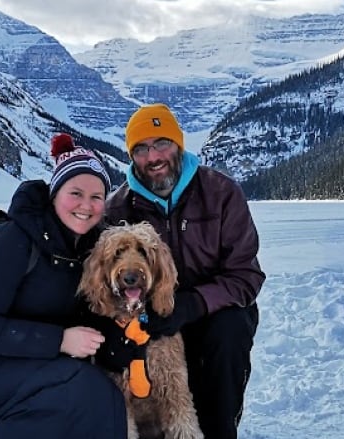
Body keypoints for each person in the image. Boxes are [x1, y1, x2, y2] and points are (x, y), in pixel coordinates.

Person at [0, 133, 127, 438]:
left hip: (27, 362)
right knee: (83, 389)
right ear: (55, 194)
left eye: (97, 197)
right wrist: (59, 340)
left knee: (99, 391)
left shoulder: (89, 248)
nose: (86, 205)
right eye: (76, 193)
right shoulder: (14, 240)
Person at [104, 103, 266, 439]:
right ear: (133, 157)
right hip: (146, 314)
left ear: (178, 144)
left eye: (161, 143)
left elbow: (246, 276)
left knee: (229, 331)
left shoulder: (221, 193)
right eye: (142, 149)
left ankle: (220, 430)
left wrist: (193, 304)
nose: (154, 157)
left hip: (212, 311)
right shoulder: (117, 208)